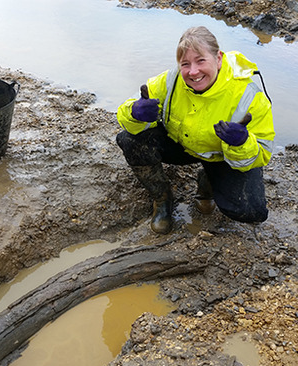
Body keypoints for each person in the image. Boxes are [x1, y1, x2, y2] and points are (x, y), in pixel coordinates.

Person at [115, 26, 274, 234]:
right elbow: (125, 114)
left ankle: (207, 181)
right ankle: (162, 199)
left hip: (222, 156)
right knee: (130, 140)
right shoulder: (170, 81)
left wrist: (242, 143)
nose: (193, 71)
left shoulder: (250, 97)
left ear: (218, 58)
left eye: (201, 61)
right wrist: (135, 112)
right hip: (182, 144)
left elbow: (263, 154)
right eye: (185, 64)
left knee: (252, 211)